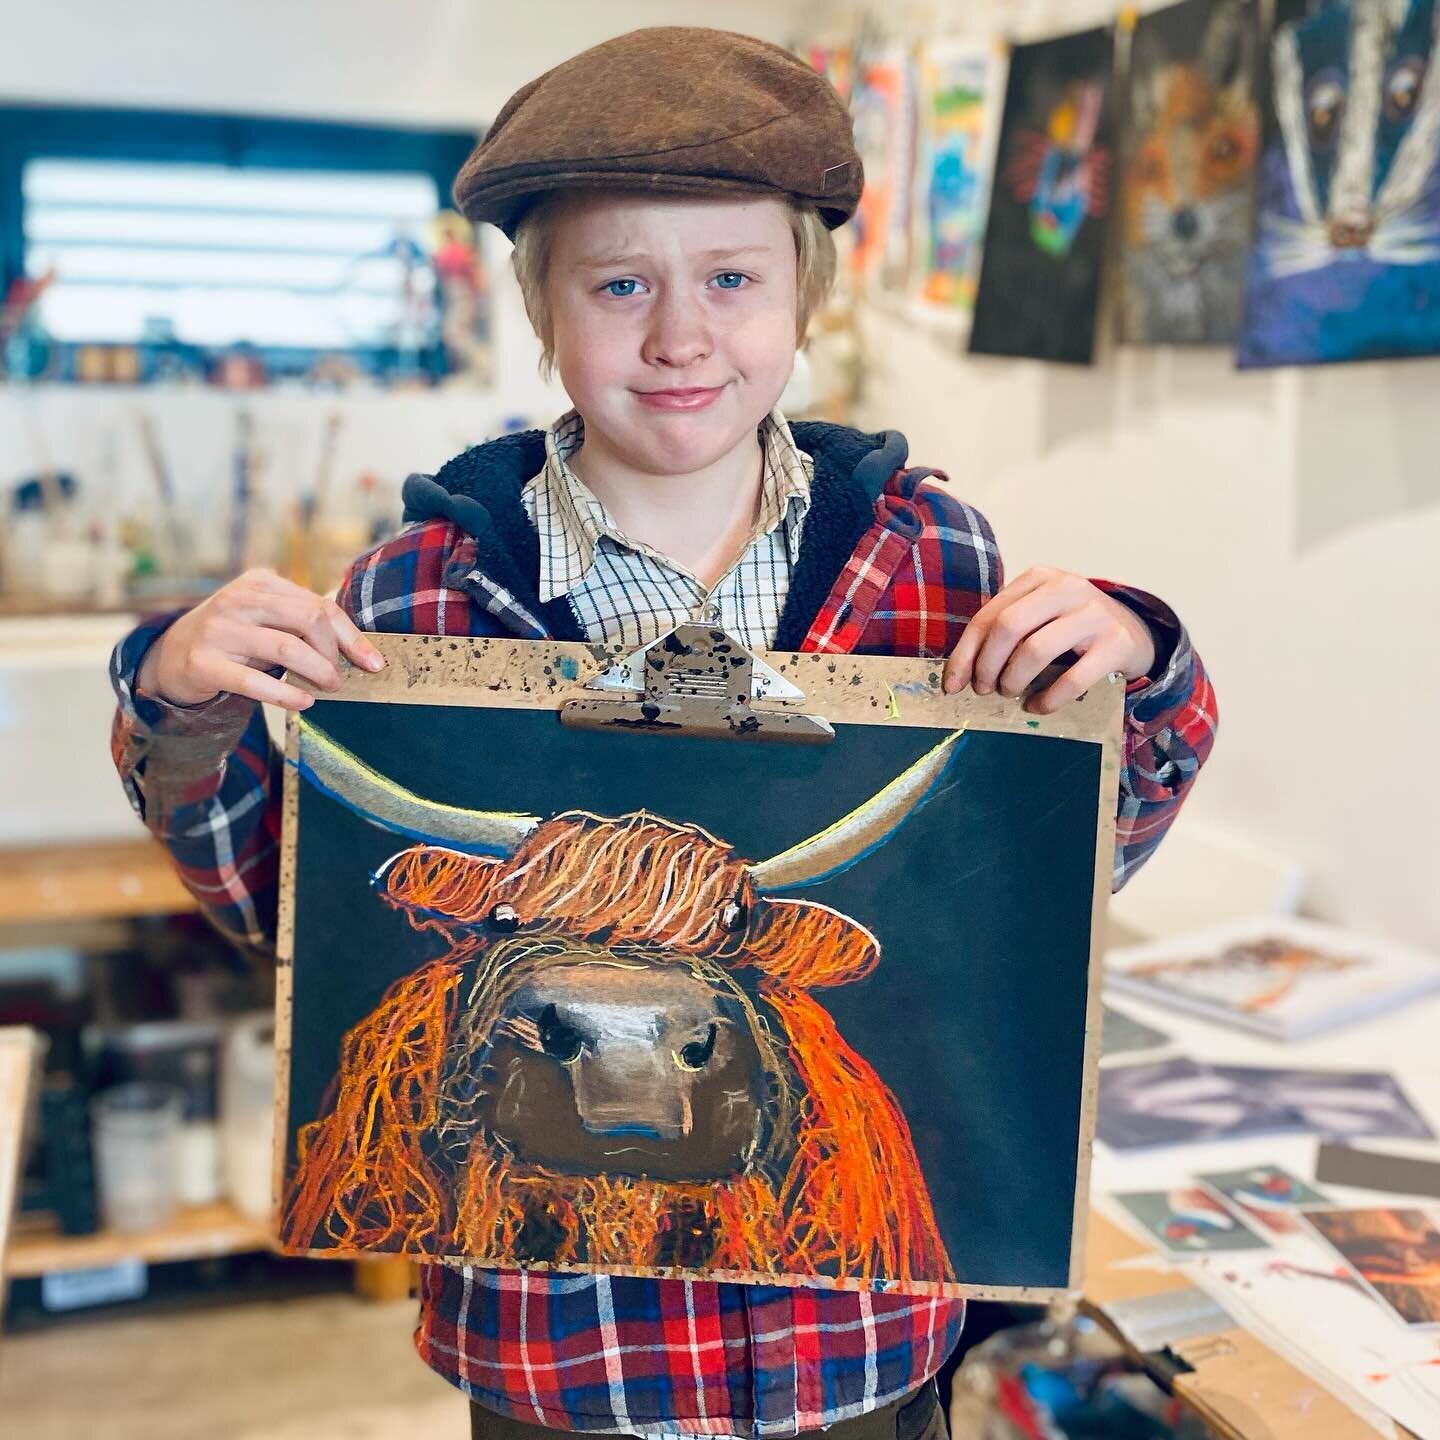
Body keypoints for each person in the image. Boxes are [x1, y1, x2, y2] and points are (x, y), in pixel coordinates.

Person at [108, 27, 1217, 1440]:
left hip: (856, 1346)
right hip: (558, 1359)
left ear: (805, 299)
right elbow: (288, 905)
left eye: (733, 280)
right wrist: (183, 703)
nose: (681, 336)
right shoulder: (414, 598)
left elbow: (1049, 885)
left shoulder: (936, 564)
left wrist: (1137, 658)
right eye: (619, 283)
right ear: (543, 311)